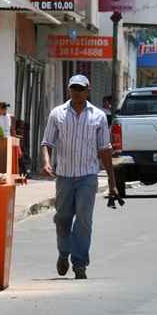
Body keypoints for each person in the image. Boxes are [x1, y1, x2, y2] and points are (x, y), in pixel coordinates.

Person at [41, 75, 118, 280]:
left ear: (88, 91)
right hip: (64, 176)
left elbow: (104, 150)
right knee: (62, 220)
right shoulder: (57, 114)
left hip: (88, 176)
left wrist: (112, 182)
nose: (77, 92)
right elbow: (47, 142)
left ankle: (80, 263)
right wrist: (47, 162)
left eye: (81, 89)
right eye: (73, 88)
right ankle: (63, 253)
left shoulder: (99, 116)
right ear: (68, 90)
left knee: (84, 220)